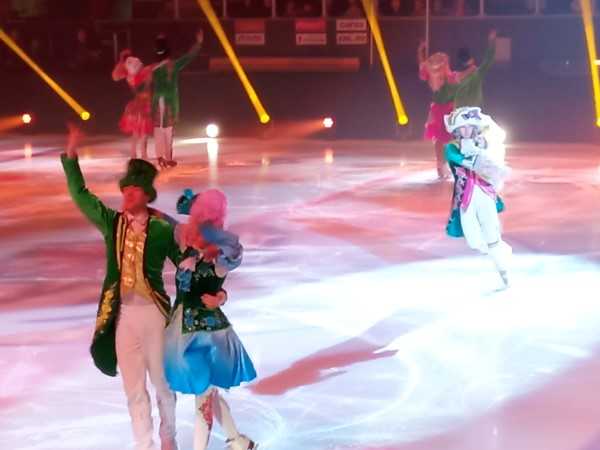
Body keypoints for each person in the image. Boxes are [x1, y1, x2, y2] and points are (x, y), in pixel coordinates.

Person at [164, 188, 257, 450]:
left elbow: (233, 247)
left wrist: (221, 296)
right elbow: (169, 223)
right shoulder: (185, 248)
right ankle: (238, 441)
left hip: (207, 339)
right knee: (207, 392)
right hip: (180, 334)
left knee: (203, 397)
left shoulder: (220, 259)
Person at [443, 107, 512, 286]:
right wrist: (486, 160)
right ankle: (499, 251)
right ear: (456, 130)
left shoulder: (484, 143)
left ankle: (503, 269)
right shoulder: (451, 148)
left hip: (485, 194)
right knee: (474, 240)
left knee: (492, 236)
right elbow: (469, 161)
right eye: (462, 127)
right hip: (465, 198)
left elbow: (494, 152)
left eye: (470, 126)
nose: (466, 130)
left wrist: (487, 151)